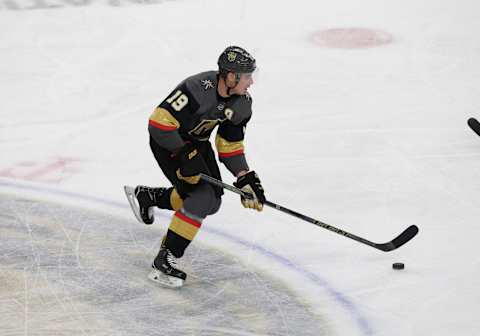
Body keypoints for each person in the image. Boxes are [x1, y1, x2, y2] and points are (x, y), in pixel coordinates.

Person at [124, 46, 266, 288]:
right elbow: (159, 122)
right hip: (169, 141)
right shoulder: (198, 88)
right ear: (230, 76)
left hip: (196, 144)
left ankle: (148, 196)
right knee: (201, 197)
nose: (251, 81)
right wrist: (181, 153)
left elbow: (229, 144)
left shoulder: (242, 103)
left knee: (213, 202)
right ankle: (165, 259)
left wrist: (244, 177)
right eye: (246, 76)